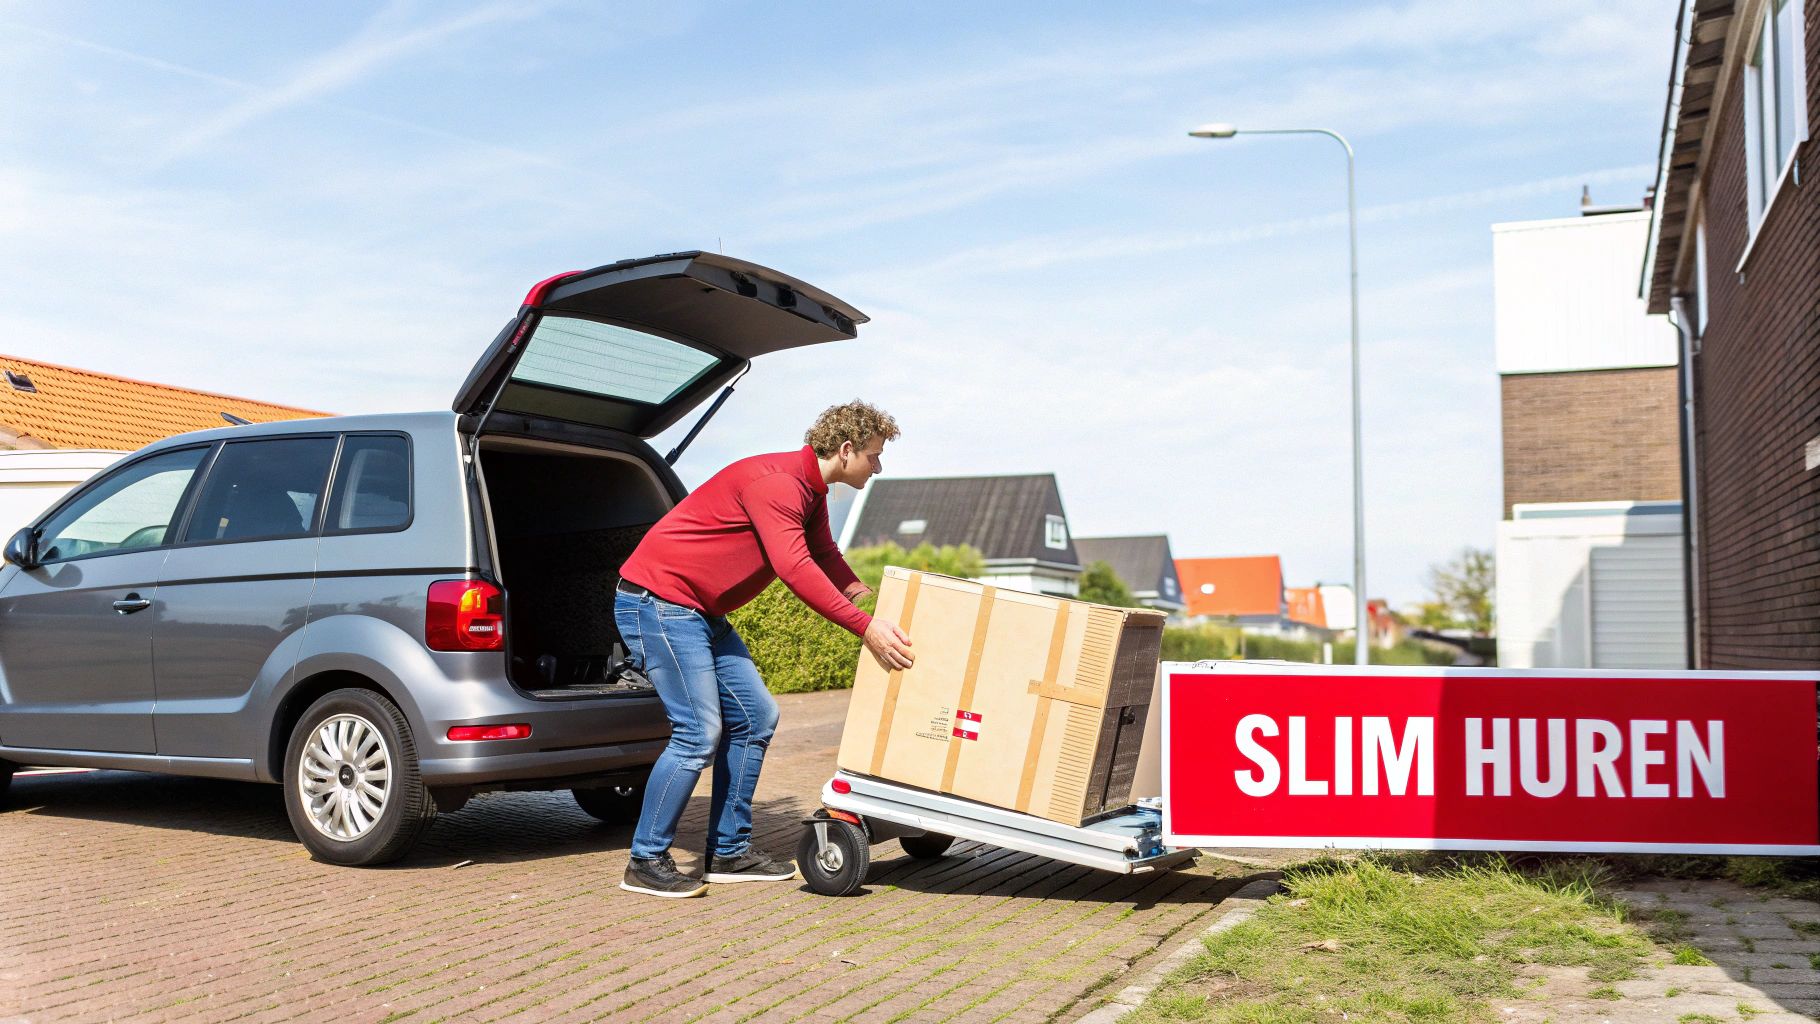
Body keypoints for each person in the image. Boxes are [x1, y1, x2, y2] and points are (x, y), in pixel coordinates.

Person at [613, 400, 914, 898]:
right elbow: (796, 569)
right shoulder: (777, 485)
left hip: (701, 612)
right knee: (698, 731)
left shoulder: (811, 491)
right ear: (846, 450)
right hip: (660, 603)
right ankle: (645, 861)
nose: (879, 466)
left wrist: (874, 600)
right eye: (875, 455)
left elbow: (825, 556)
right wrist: (865, 628)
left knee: (755, 716)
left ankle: (728, 853)